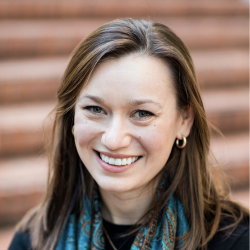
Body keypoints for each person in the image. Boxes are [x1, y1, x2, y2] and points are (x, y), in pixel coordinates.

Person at [8, 18, 249, 250]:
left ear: (184, 121)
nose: (113, 140)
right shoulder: (34, 240)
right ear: (72, 116)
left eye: (142, 113)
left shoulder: (236, 241)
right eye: (95, 109)